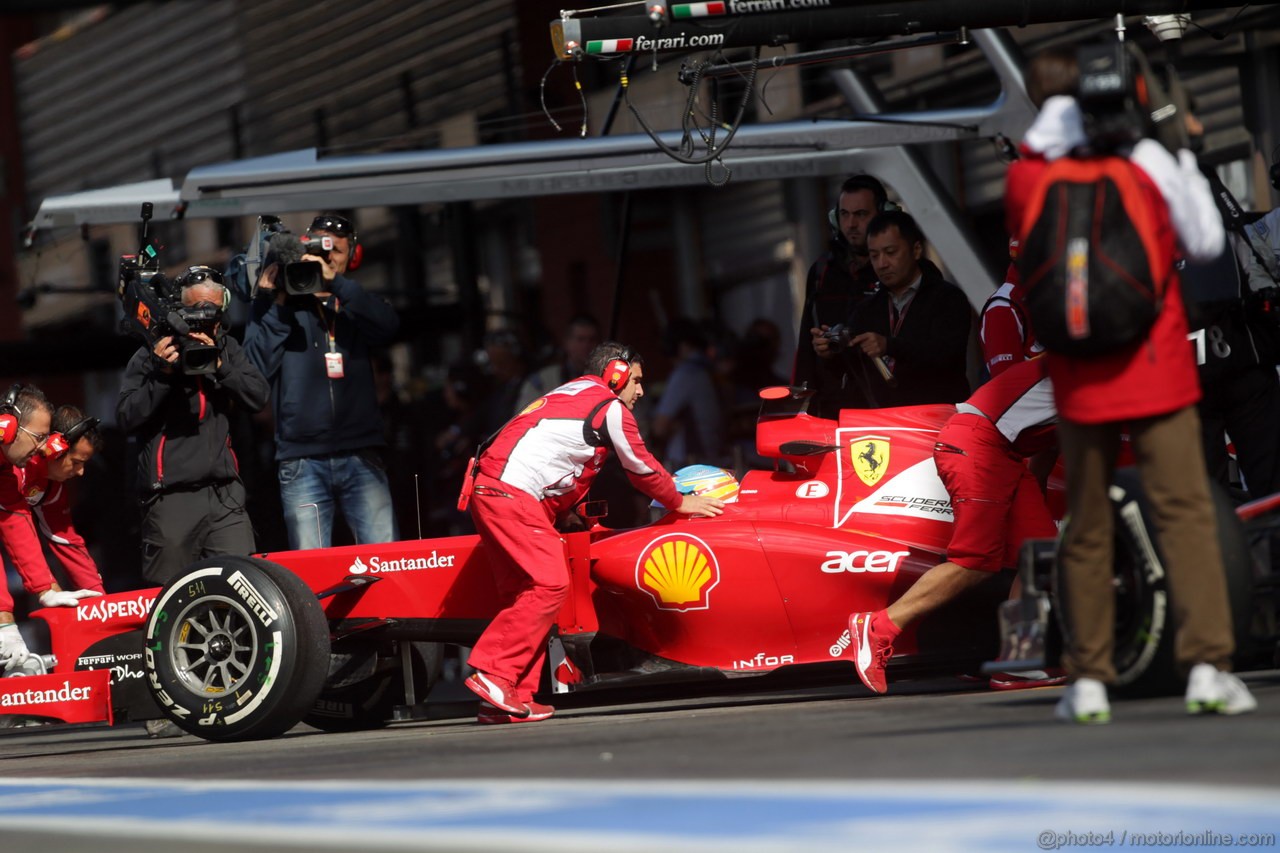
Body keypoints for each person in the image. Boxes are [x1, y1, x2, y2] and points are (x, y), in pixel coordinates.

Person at [1009, 47, 1256, 723]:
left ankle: (1087, 679)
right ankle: (1208, 666)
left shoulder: (1032, 178)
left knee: (1085, 524)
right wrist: (1171, 146)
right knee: (1185, 514)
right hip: (1156, 367)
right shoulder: (1147, 161)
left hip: (1079, 378)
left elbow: (1036, 153)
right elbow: (1205, 244)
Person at [462, 342, 726, 724]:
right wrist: (679, 502)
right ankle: (494, 674)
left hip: (493, 491)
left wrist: (566, 514)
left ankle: (511, 695)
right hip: (510, 494)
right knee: (550, 585)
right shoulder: (609, 406)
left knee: (527, 595)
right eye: (635, 381)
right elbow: (640, 466)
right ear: (615, 375)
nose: (639, 391)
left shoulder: (574, 393)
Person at [848, 358, 1058, 694]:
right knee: (974, 560)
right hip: (981, 444)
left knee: (1043, 555)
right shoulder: (1090, 359)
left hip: (999, 449)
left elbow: (1049, 445)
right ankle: (879, 627)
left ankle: (1019, 663)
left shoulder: (1091, 358)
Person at [244, 213, 401, 549]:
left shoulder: (354, 302)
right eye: (316, 252)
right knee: (311, 568)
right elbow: (254, 368)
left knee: (383, 558)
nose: (325, 260)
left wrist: (337, 285)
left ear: (352, 258)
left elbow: (388, 327)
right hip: (301, 459)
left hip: (361, 451)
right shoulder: (279, 306)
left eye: (335, 253)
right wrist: (278, 304)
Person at [117, 266, 269, 584]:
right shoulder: (151, 353)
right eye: (196, 311)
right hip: (170, 499)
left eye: (213, 312)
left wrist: (219, 365)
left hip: (224, 495)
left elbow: (258, 397)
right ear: (180, 310)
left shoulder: (226, 348)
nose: (204, 321)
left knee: (244, 585)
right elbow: (126, 417)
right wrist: (162, 374)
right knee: (171, 596)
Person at [812, 211, 972, 408]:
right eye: (874, 255)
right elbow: (851, 374)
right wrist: (829, 355)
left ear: (916, 250)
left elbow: (947, 356)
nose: (882, 264)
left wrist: (890, 346)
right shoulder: (866, 309)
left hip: (940, 420)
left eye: (890, 252)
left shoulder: (947, 298)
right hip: (886, 426)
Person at [0, 384, 80, 671]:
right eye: (39, 437)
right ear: (8, 428)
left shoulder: (6, 471)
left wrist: (45, 588)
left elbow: (16, 522)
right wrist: (4, 621)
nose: (42, 448)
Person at [794, 174, 887, 417]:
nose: (851, 224)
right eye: (844, 214)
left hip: (889, 403)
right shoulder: (823, 270)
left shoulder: (894, 268)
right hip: (836, 408)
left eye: (861, 214)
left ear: (882, 214)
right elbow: (805, 349)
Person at [8, 405, 107, 603]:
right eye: (76, 462)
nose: (81, 472)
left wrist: (99, 601)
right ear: (56, 449)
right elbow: (16, 529)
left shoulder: (51, 486)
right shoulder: (12, 470)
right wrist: (45, 588)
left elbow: (66, 539)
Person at [652, 318, 726, 471]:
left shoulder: (686, 373)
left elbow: (659, 428)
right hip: (715, 456)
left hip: (690, 465)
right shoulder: (710, 371)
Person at [513, 314, 602, 413]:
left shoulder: (609, 378)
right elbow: (524, 418)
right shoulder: (541, 382)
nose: (586, 346)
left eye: (592, 340)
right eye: (580, 339)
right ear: (567, 342)